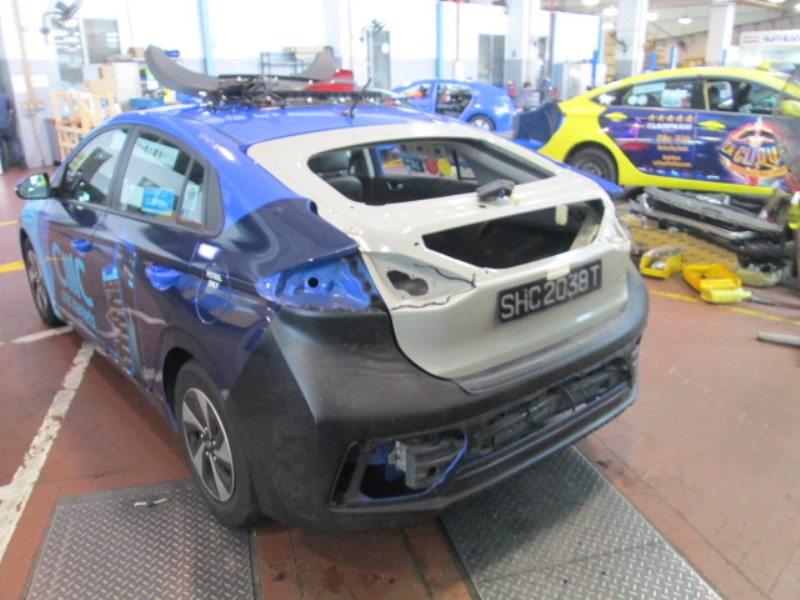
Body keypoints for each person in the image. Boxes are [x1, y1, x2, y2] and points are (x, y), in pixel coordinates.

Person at [0, 89, 27, 170]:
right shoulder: (4, 97)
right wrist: (8, 118)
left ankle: (3, 168)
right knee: (12, 142)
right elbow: (12, 110)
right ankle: (21, 161)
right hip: (6, 124)